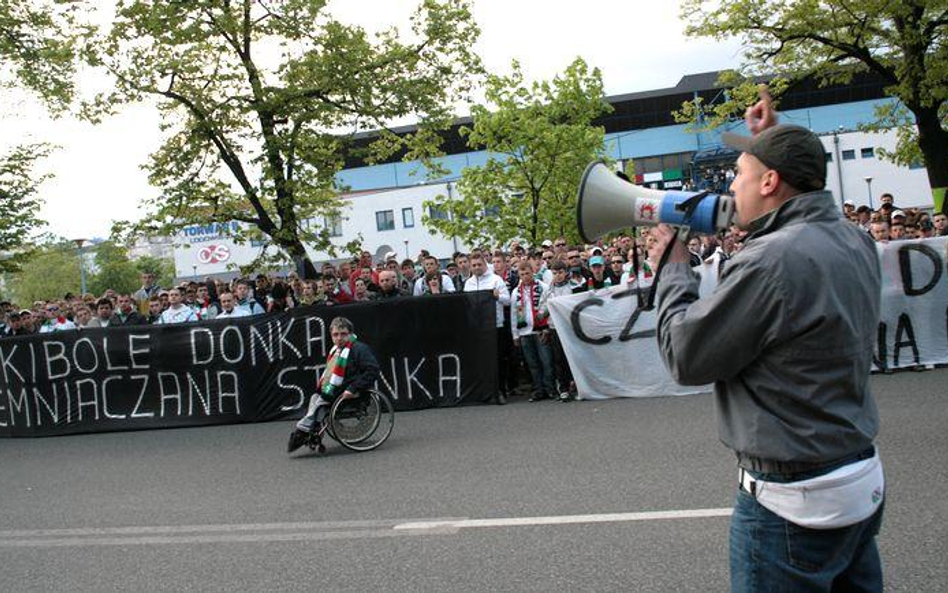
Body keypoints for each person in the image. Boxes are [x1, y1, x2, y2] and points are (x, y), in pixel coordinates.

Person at [649, 86, 884, 593]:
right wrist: (774, 140)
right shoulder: (853, 238)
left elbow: (686, 356)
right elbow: (809, 194)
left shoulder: (769, 260)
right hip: (857, 477)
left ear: (771, 181)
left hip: (791, 502)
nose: (732, 189)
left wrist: (672, 270)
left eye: (740, 176)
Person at [287, 316, 380, 453]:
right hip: (336, 390)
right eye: (335, 334)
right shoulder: (336, 351)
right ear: (331, 336)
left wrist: (353, 389)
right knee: (315, 398)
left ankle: (302, 432)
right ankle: (312, 431)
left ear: (350, 334)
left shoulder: (359, 349)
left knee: (320, 403)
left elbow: (372, 371)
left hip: (353, 392)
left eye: (343, 334)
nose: (339, 338)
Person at [464, 253, 511, 404]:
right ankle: (485, 391)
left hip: (496, 326)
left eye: (479, 264)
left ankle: (501, 391)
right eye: (474, 265)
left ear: (485, 264)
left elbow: (508, 301)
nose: (477, 267)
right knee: (482, 360)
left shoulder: (496, 280)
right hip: (478, 328)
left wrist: (498, 297)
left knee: (498, 360)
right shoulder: (468, 283)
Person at [510, 261, 554, 402]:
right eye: (522, 274)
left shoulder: (543, 287)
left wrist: (546, 327)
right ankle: (539, 390)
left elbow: (549, 306)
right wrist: (515, 334)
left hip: (541, 330)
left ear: (532, 272)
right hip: (524, 332)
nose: (525, 276)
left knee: (546, 361)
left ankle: (550, 389)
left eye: (527, 273)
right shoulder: (516, 292)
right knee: (532, 364)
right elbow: (513, 314)